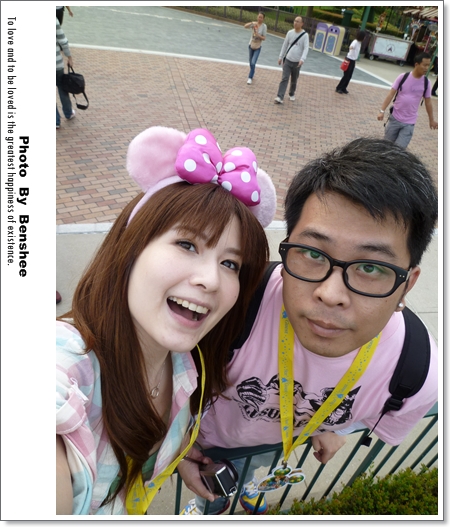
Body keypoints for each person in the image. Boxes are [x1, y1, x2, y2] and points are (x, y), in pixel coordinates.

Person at [179, 137, 438, 515]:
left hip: (271, 448)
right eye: (313, 254)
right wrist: (178, 446)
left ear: (407, 284)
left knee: (256, 470)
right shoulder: (230, 307)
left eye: (370, 267)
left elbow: (362, 412)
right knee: (208, 492)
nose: (330, 295)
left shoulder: (415, 375)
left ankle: (250, 491)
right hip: (202, 443)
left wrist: (331, 426)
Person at [56, 125, 277, 515]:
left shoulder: (186, 365)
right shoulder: (64, 368)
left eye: (230, 263)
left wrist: (174, 455)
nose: (211, 280)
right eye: (187, 244)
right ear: (131, 249)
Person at [377, 52, 438, 149]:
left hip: (409, 123)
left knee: (399, 150)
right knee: (386, 147)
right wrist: (382, 111)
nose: (427, 68)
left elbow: (428, 102)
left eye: (429, 65)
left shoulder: (426, 82)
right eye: (424, 65)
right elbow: (391, 94)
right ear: (416, 64)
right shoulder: (403, 77)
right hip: (394, 119)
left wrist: (431, 120)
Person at [274, 17, 309, 104]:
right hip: (288, 60)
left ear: (302, 24)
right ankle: (280, 96)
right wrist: (280, 57)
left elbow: (306, 48)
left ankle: (291, 93)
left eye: (298, 21)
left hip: (297, 62)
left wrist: (302, 59)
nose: (295, 23)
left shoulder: (305, 35)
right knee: (285, 78)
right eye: (295, 21)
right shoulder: (290, 33)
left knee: (294, 79)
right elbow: (285, 45)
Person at [56, 18, 75, 129]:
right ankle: (68, 113)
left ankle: (55, 121)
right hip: (56, 62)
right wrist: (69, 57)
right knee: (62, 87)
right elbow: (63, 40)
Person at [244, 12, 267, 85]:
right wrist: (251, 23)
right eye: (259, 17)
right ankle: (252, 71)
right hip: (251, 44)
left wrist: (258, 35)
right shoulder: (254, 24)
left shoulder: (264, 26)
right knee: (250, 62)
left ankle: (250, 77)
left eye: (261, 17)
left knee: (253, 62)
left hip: (258, 46)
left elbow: (264, 38)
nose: (259, 18)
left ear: (263, 19)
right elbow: (245, 26)